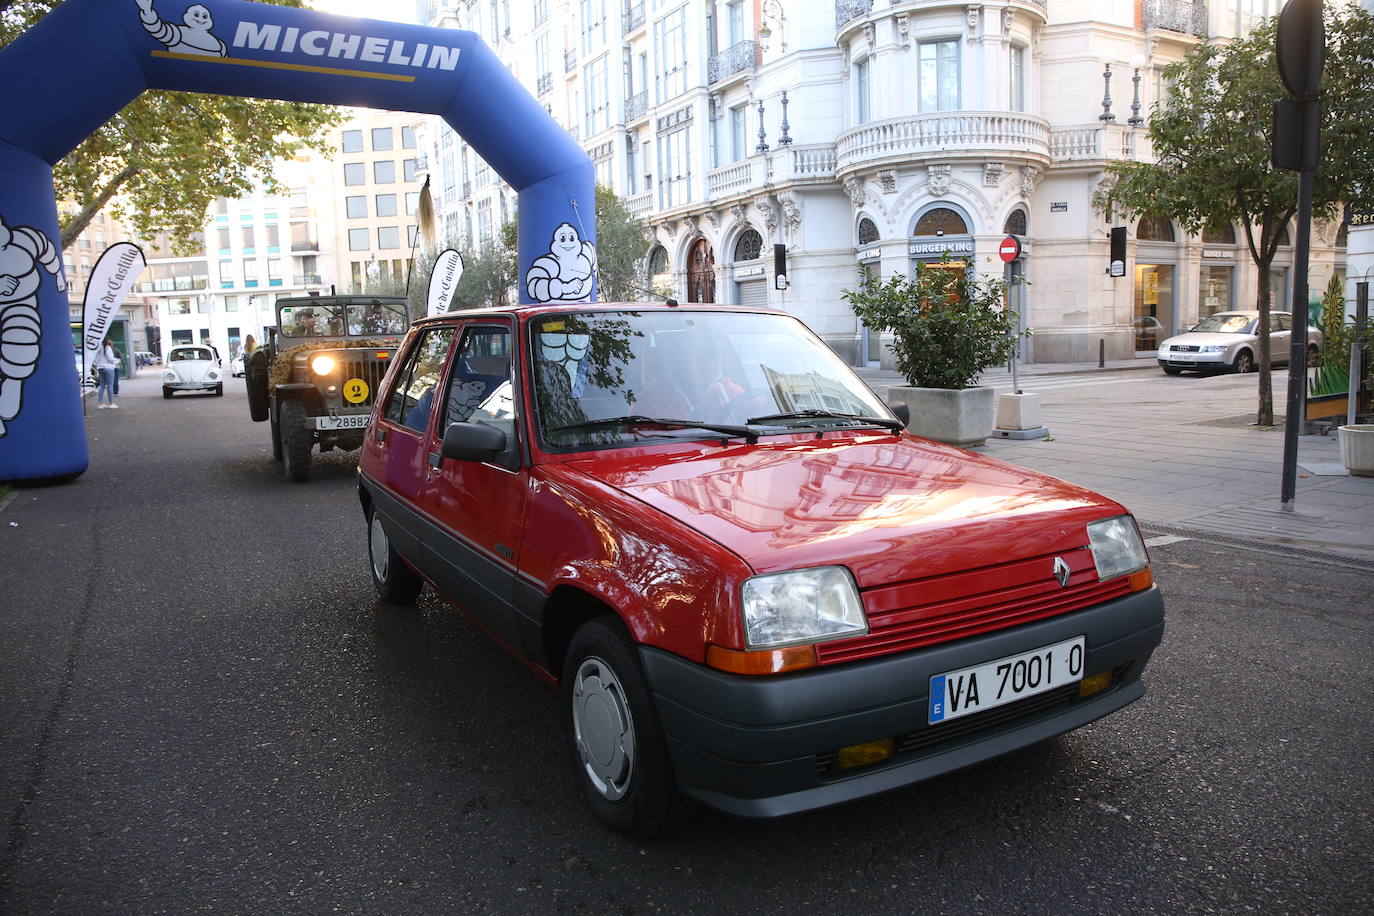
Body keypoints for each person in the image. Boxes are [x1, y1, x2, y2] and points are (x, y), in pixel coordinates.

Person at [92, 336, 119, 409]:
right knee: (110, 386)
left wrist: (98, 365)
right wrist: (117, 361)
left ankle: (100, 404)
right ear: (106, 340)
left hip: (100, 368)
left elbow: (95, 359)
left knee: (102, 386)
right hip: (109, 368)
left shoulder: (98, 348)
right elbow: (110, 358)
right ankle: (110, 403)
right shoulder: (107, 347)